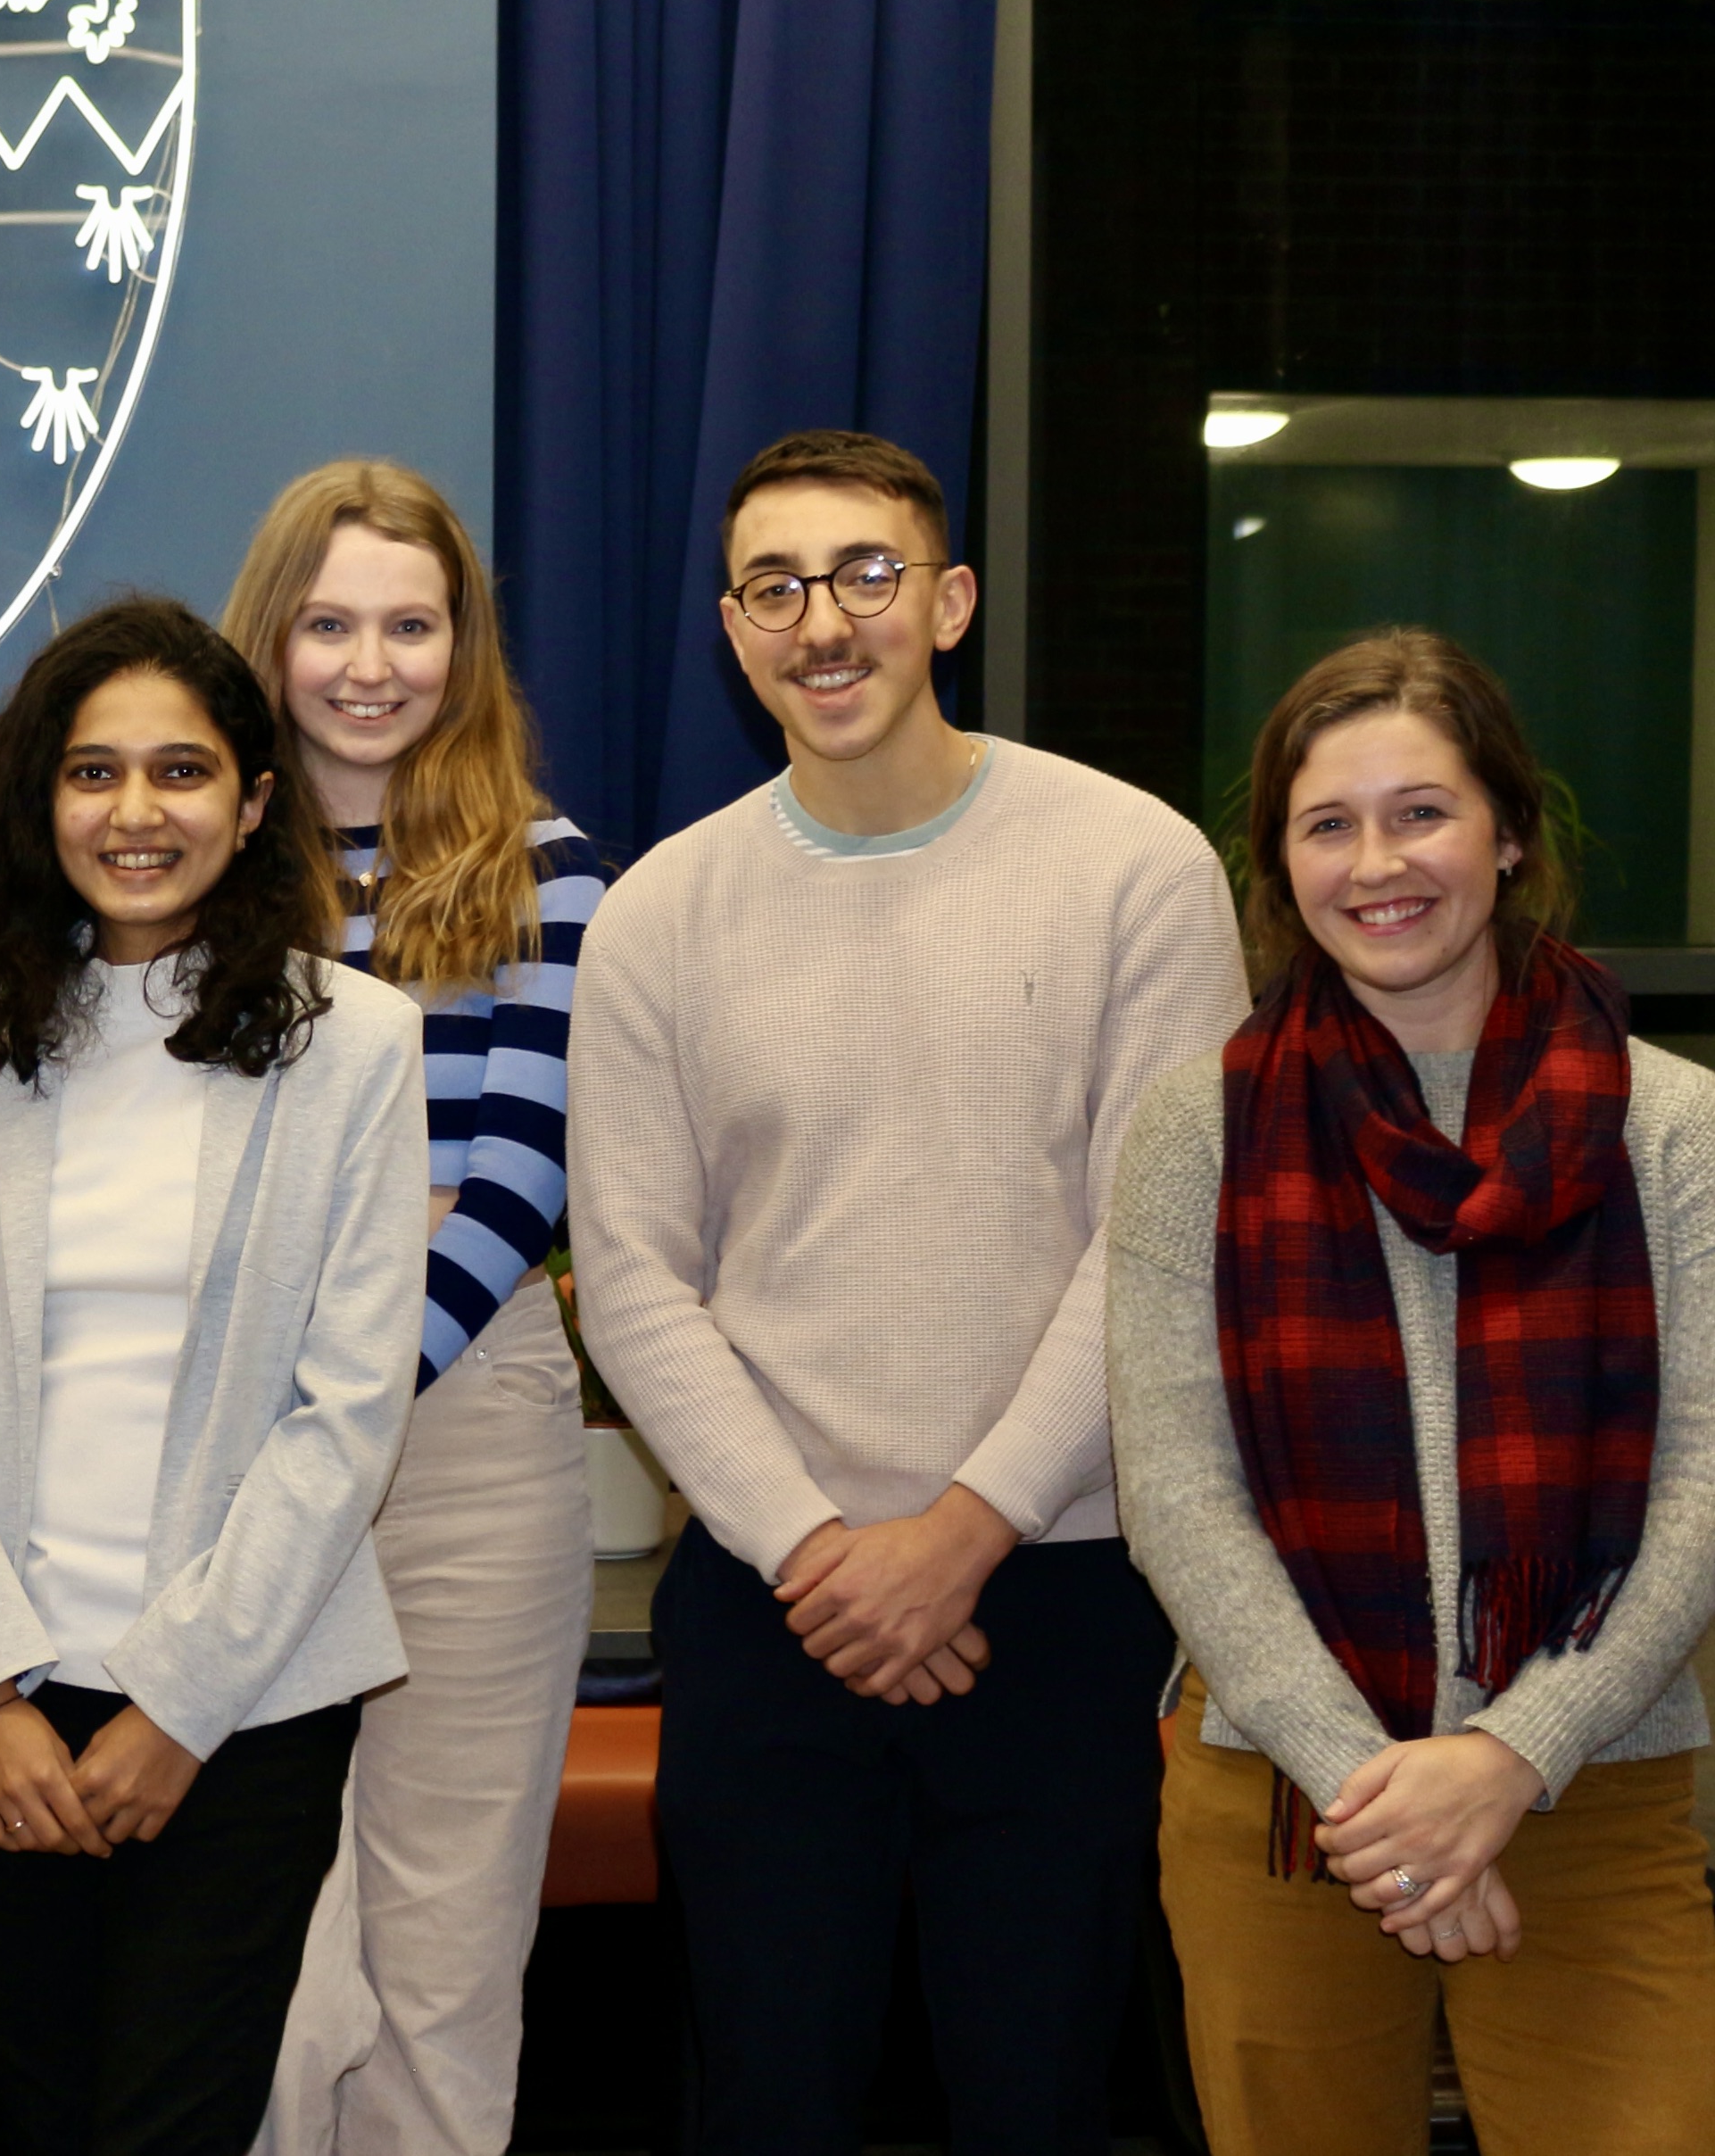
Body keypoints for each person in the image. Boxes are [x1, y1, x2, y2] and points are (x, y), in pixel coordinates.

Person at [564, 429, 1247, 2153]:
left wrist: (961, 1530)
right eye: (774, 587)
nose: (823, 622)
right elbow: (632, 1280)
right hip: (769, 1598)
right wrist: (816, 1552)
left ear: (947, 602)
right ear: (732, 629)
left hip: (1058, 1588)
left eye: (865, 573)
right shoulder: (659, 914)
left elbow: (1159, 1245)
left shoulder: (1136, 866)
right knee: (765, 2097)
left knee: (1040, 2096)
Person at [1107, 628, 1715, 2155]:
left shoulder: (1674, 1123)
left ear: (1509, 830)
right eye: (1326, 823)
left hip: (1591, 1772)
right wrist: (1380, 1797)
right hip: (1284, 1789)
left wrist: (1508, 1754)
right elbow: (1177, 1493)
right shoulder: (1194, 1129)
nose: (1375, 863)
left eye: (1421, 811)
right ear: (1278, 864)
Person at [0, 594, 433, 2156]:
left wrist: (177, 1701)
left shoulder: (356, 1045)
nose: (135, 811)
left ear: (251, 805)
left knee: (172, 2126)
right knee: (31, 2120)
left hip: (244, 1702)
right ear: (39, 801)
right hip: (1, 1708)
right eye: (92, 771)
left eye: (180, 771)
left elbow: (345, 1414)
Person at [220, 460, 606, 2156]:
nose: (368, 667)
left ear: (464, 645)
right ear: (268, 638)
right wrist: (380, 1223)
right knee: (259, 1959)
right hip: (224, 1432)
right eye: (328, 625)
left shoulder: (550, 873)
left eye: (409, 625)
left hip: (464, 1439)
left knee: (444, 1954)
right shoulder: (193, 862)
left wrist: (351, 1358)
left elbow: (514, 1187)